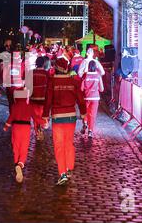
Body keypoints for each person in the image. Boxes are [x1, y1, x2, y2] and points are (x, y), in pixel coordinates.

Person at [43, 58, 86, 186]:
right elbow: (80, 99)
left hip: (57, 117)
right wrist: (83, 113)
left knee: (59, 145)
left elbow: (48, 100)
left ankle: (62, 172)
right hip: (71, 116)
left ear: (56, 68)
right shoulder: (73, 81)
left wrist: (45, 115)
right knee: (68, 142)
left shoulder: (52, 82)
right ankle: (69, 166)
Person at [3, 88, 44, 183]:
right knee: (24, 147)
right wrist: (43, 122)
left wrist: (6, 126)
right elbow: (35, 117)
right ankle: (20, 164)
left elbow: (11, 117)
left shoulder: (14, 106)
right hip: (26, 128)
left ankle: (16, 162)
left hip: (16, 127)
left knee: (16, 146)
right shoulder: (29, 106)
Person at [81, 60, 104, 138]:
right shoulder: (98, 76)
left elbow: (81, 88)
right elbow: (102, 89)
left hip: (86, 97)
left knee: (85, 112)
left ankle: (84, 123)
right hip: (95, 98)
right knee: (92, 114)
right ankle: (90, 131)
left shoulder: (85, 75)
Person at [30, 57, 49, 141]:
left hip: (33, 98)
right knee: (42, 115)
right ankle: (42, 127)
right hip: (43, 99)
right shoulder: (46, 73)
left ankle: (37, 132)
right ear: (43, 64)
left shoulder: (31, 73)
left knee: (35, 116)